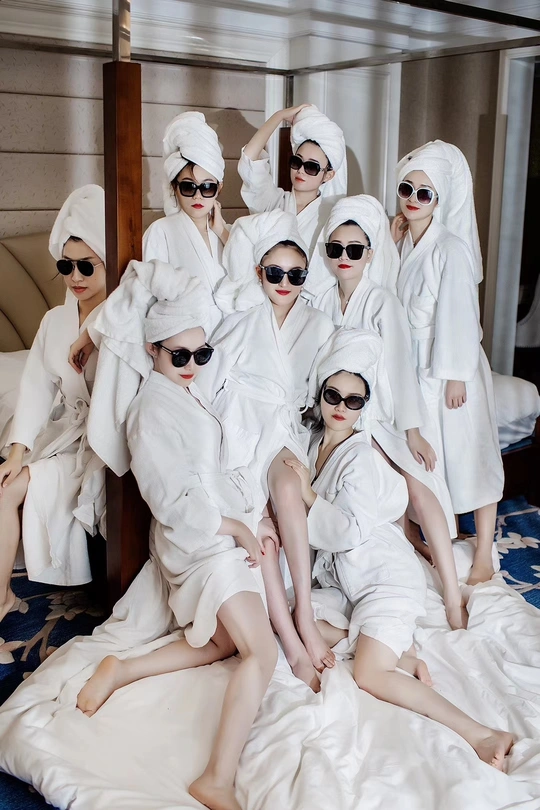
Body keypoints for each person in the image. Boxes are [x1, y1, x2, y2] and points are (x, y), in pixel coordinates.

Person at [76, 267, 278, 810]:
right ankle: (216, 778)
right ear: (152, 350)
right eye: (178, 355)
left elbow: (217, 474)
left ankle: (122, 670)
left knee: (224, 644)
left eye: (201, 354)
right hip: (196, 544)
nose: (191, 365)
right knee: (263, 652)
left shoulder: (188, 395)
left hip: (218, 532)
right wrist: (236, 527)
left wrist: (252, 516)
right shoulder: (150, 410)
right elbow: (171, 502)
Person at [286, 327, 513, 770]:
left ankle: (482, 734)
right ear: (321, 394)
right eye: (333, 396)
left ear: (364, 406)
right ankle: (401, 655)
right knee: (294, 615)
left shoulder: (359, 457)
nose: (341, 408)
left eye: (354, 401)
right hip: (352, 583)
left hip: (386, 580)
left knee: (369, 674)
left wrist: (308, 495)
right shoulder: (314, 444)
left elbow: (348, 531)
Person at [308, 195, 464, 629]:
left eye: (354, 249)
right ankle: (374, 567)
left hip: (379, 415)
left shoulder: (382, 302)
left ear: (370, 254)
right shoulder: (320, 301)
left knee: (415, 482)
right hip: (335, 415)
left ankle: (453, 593)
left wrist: (411, 431)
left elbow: (399, 367)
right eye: (336, 248)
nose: (345, 257)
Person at [198, 210, 335, 689]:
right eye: (275, 273)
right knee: (265, 538)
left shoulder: (318, 324)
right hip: (239, 429)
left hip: (283, 430)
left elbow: (323, 393)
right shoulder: (241, 319)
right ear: (259, 272)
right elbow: (206, 385)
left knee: (288, 486)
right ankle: (293, 644)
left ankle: (304, 613)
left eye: (296, 276)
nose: (284, 284)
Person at [392, 141, 503, 586]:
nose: (413, 200)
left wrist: (456, 375)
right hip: (416, 365)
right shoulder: (403, 242)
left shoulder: (450, 248)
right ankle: (439, 537)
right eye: (407, 189)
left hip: (451, 366)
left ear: (440, 200)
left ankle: (484, 554)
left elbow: (460, 313)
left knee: (470, 455)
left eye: (425, 193)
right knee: (431, 458)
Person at [0, 185, 107, 615]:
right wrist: (17, 452)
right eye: (66, 266)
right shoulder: (54, 320)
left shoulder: (126, 319)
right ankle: (4, 597)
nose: (75, 277)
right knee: (5, 488)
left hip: (109, 444)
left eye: (87, 265)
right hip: (68, 437)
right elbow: (36, 386)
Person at [143, 111, 230, 333]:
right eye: (188, 186)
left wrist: (222, 231)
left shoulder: (227, 234)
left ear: (219, 188)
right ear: (175, 187)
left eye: (207, 187)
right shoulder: (160, 231)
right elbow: (147, 299)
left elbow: (251, 278)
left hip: (231, 338)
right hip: (183, 341)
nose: (198, 196)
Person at [238, 104, 347, 254]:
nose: (300, 170)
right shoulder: (274, 202)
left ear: (328, 175)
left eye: (311, 167)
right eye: (297, 162)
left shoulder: (332, 216)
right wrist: (279, 116)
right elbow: (249, 158)